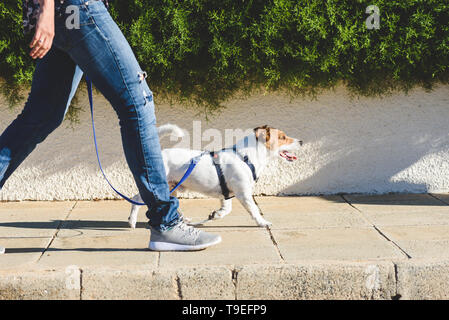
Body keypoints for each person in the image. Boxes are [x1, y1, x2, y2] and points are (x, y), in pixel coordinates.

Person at [0, 0, 221, 254]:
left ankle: (166, 221)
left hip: (65, 14)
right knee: (138, 104)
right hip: (77, 8)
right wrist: (47, 9)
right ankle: (166, 222)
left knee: (40, 117)